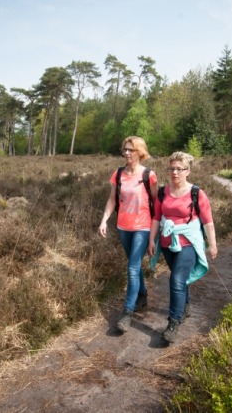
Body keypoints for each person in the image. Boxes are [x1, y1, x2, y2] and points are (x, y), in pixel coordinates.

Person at [148, 151, 217, 344]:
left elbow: (208, 222)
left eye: (179, 169)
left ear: (188, 171)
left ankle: (173, 323)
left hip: (189, 243)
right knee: (182, 279)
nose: (175, 172)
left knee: (176, 280)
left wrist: (212, 244)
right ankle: (185, 307)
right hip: (167, 242)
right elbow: (156, 218)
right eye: (172, 168)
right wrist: (151, 240)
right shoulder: (163, 192)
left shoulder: (197, 193)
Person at [98, 136, 159, 333]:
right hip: (123, 227)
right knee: (135, 266)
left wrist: (154, 235)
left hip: (143, 227)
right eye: (124, 149)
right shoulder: (118, 174)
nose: (126, 153)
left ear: (140, 152)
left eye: (130, 150)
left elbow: (157, 205)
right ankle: (142, 293)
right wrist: (104, 220)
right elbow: (112, 200)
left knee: (132, 267)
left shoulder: (148, 175)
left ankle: (127, 312)